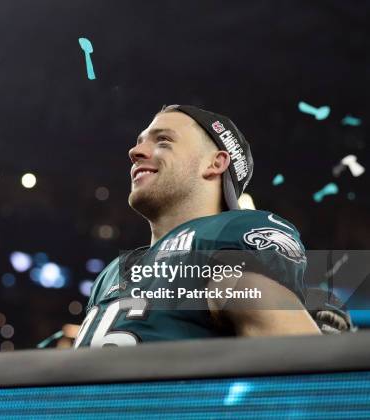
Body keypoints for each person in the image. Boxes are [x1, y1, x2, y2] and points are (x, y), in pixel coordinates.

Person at [74, 105, 323, 348]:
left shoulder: (226, 237)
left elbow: (301, 359)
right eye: (140, 141)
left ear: (215, 163)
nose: (135, 151)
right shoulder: (111, 273)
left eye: (163, 141)